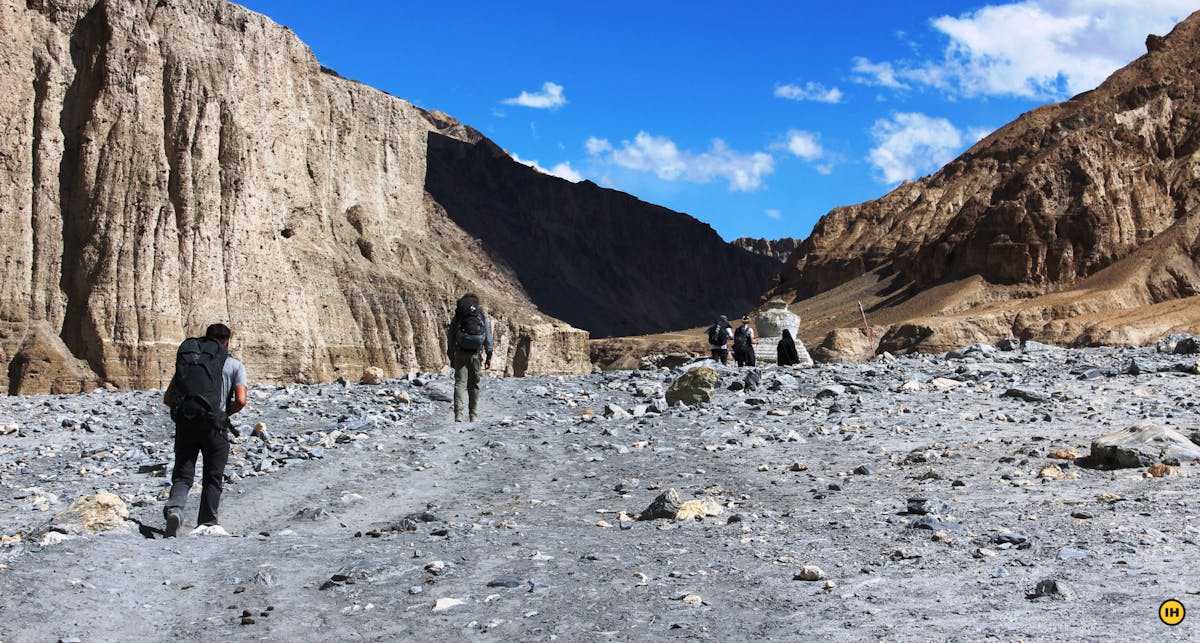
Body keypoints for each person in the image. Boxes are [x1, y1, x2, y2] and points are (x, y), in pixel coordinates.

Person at [162, 323, 248, 536]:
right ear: (227, 341)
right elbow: (242, 400)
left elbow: (168, 399)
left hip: (186, 425)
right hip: (215, 428)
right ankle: (207, 523)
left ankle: (175, 509)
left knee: (182, 473)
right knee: (212, 475)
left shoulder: (189, 363)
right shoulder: (234, 365)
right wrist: (223, 414)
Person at [447, 293, 493, 422]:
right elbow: (487, 336)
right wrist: (489, 355)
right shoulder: (480, 315)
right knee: (474, 385)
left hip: (460, 352)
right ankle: (473, 415)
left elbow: (451, 336)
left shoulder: (459, 316)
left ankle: (458, 414)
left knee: (460, 383)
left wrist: (451, 355)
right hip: (476, 353)